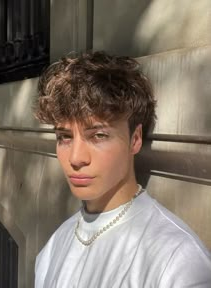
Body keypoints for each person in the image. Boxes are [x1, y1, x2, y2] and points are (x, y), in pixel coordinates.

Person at [34, 51, 211, 288]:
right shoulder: (52, 248)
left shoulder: (177, 260)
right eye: (64, 137)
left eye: (98, 135)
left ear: (135, 139)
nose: (76, 158)